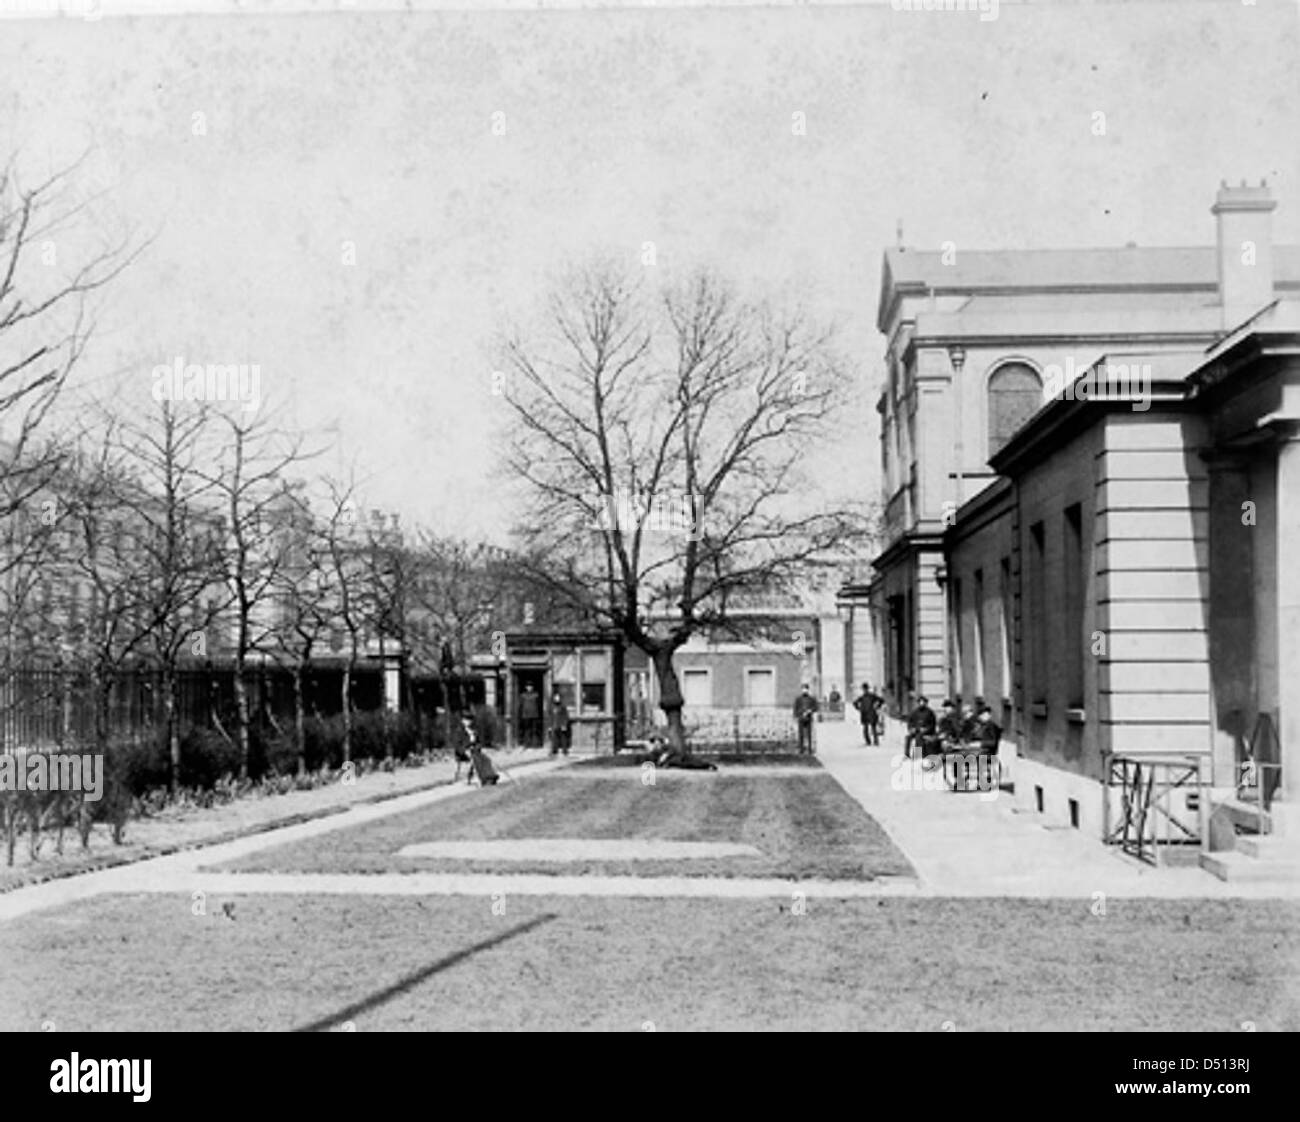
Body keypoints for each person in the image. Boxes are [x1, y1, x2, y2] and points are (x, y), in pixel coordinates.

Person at [904, 695, 938, 760]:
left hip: (926, 731)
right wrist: (911, 729)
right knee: (908, 737)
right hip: (916, 729)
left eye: (923, 702)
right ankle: (907, 754)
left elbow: (932, 724)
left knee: (919, 737)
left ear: (926, 703)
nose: (921, 703)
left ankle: (918, 755)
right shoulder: (914, 712)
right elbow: (910, 722)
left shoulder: (930, 712)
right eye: (920, 702)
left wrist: (926, 729)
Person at [793, 683, 819, 755]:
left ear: (808, 690)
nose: (804, 690)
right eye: (803, 689)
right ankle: (801, 749)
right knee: (801, 734)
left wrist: (810, 710)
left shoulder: (811, 698)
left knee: (809, 734)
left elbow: (816, 707)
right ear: (801, 690)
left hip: (809, 718)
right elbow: (795, 708)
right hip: (801, 718)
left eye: (806, 689)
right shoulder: (798, 699)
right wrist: (797, 716)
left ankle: (810, 749)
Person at [549, 689, 571, 757]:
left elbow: (566, 716)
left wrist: (564, 724)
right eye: (555, 698)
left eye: (558, 698)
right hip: (554, 724)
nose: (557, 699)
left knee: (563, 738)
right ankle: (554, 751)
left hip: (561, 724)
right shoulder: (552, 707)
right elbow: (550, 716)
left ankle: (565, 751)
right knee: (554, 739)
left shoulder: (562, 707)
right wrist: (550, 726)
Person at [519, 681, 541, 748]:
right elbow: (521, 705)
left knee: (534, 730)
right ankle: (527, 744)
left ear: (533, 687)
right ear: (526, 687)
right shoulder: (523, 695)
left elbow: (539, 704)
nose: (529, 688)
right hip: (526, 715)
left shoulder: (536, 695)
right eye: (528, 686)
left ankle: (534, 744)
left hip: (534, 715)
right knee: (527, 730)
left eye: (531, 686)